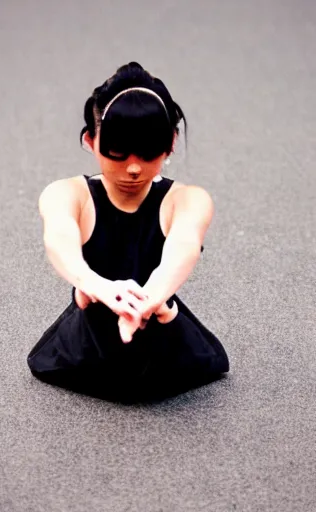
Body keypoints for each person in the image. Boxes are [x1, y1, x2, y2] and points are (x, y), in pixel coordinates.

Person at [27, 62, 229, 402]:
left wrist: (149, 302)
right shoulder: (67, 193)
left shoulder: (188, 199)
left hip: (164, 326)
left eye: (149, 152)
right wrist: (97, 287)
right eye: (118, 152)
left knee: (167, 326)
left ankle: (163, 312)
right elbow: (59, 239)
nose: (134, 167)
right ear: (90, 141)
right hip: (92, 328)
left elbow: (184, 246)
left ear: (172, 142)